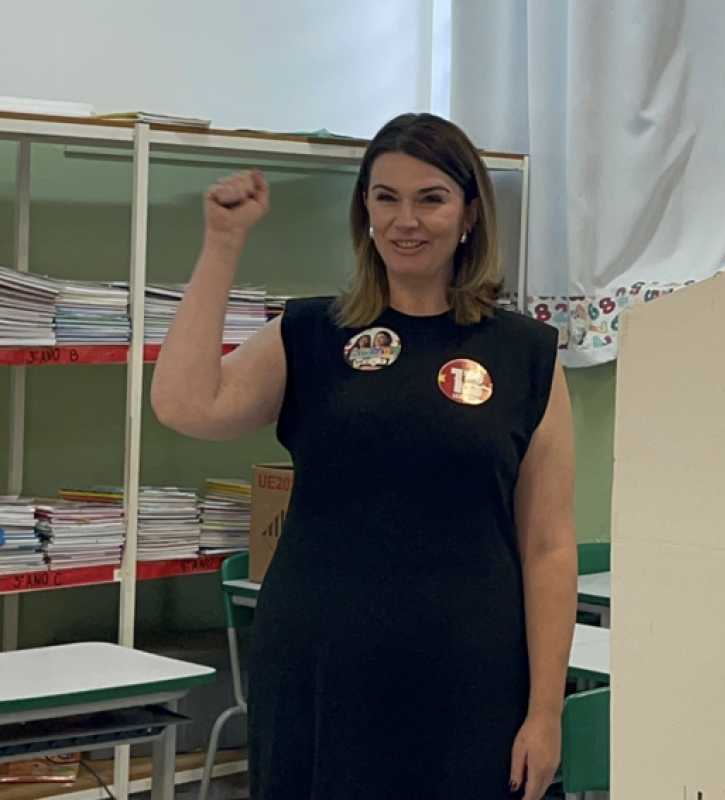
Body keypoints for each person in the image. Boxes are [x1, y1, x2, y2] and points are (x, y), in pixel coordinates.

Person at [151, 112, 578, 799]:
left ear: (469, 212)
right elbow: (184, 405)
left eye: (430, 198)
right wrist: (222, 244)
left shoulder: (526, 354)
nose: (405, 220)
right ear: (365, 211)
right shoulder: (312, 333)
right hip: (321, 672)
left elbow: (550, 546)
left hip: (471, 678)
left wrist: (546, 711)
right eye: (386, 198)